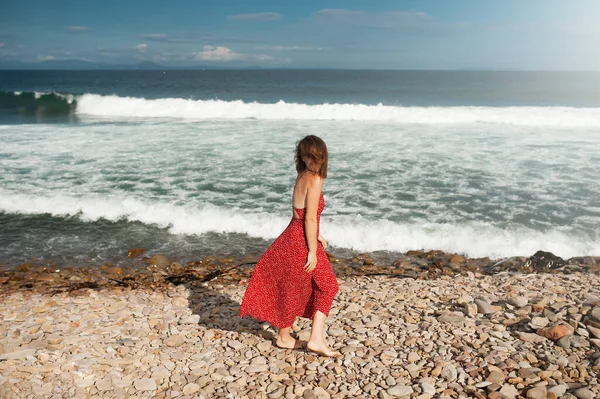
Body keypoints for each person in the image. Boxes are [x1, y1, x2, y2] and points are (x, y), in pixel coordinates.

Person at [239, 135, 340, 357]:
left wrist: (317, 235)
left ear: (323, 156)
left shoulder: (302, 176)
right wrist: (312, 250)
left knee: (293, 286)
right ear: (302, 157)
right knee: (328, 286)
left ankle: (285, 337)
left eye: (317, 157)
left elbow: (299, 214)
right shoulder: (314, 179)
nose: (314, 161)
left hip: (293, 236)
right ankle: (315, 340)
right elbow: (309, 218)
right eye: (309, 156)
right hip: (301, 242)